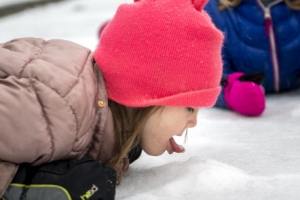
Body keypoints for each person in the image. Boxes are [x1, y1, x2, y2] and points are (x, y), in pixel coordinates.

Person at [0, 0, 224, 199]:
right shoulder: (59, 108)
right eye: (189, 108)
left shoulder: (104, 119)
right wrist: (25, 188)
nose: (193, 122)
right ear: (148, 94)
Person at [204, 0, 300, 116]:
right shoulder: (214, 10)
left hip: (292, 105)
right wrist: (232, 92)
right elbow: (207, 78)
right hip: (238, 123)